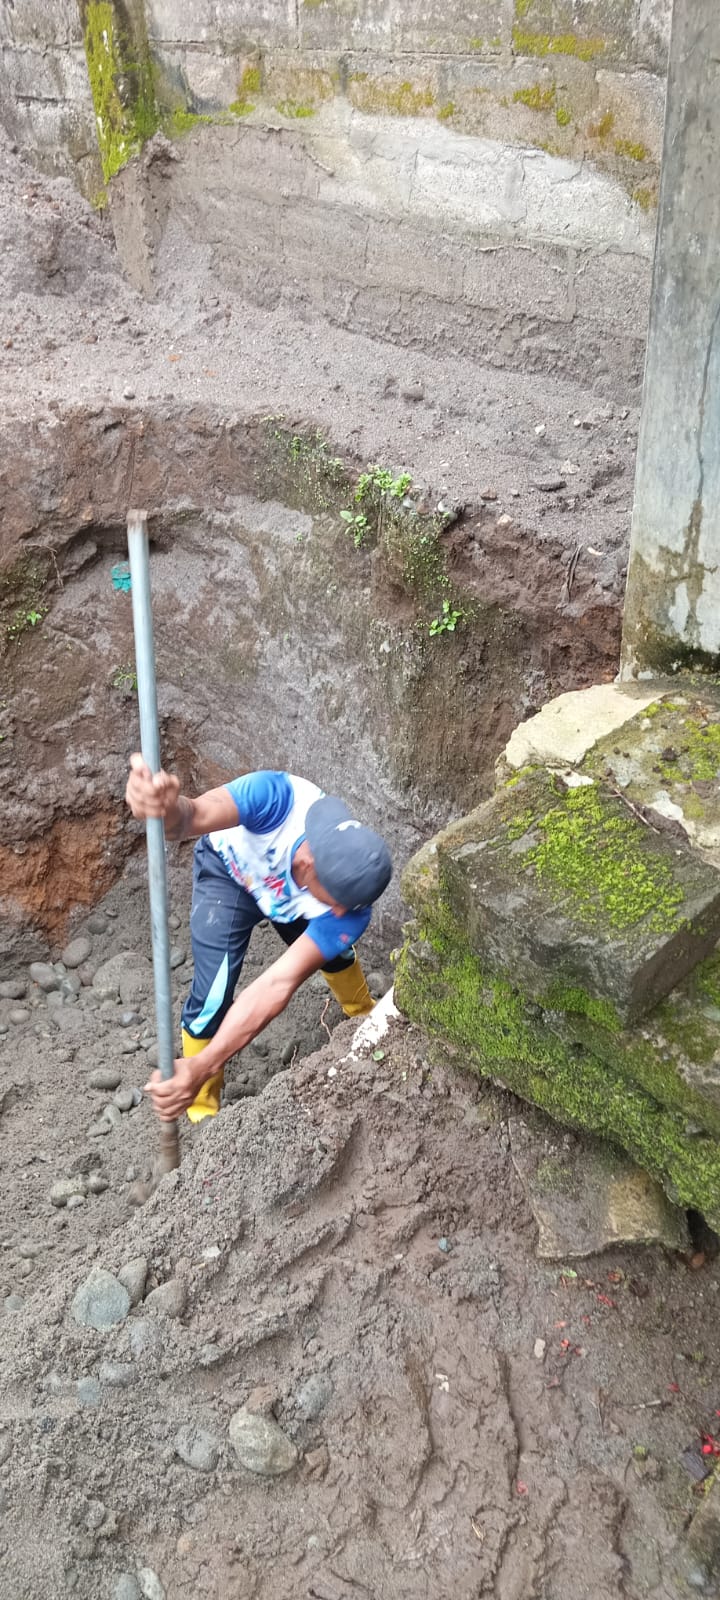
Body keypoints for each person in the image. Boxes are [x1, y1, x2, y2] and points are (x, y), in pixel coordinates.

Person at [125, 758, 392, 1124]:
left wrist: (203, 1063)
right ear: (309, 864)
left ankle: (362, 1016)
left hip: (288, 903)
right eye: (341, 903)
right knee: (212, 996)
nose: (346, 913)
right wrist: (166, 809)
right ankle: (202, 1109)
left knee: (336, 954)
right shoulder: (275, 797)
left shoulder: (350, 913)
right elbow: (191, 817)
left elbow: (277, 983)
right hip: (230, 875)